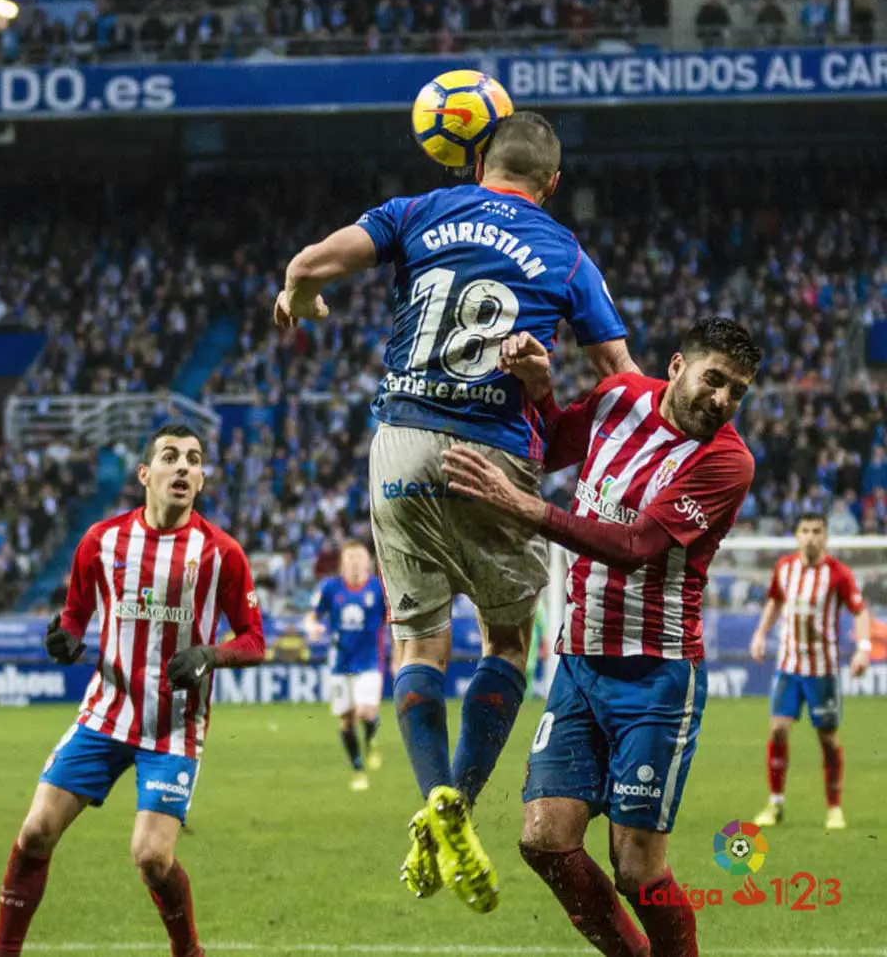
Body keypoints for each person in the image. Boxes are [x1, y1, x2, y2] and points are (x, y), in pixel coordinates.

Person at [274, 111, 637, 913]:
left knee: (418, 642)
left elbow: (308, 264)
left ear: (477, 163)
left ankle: (434, 791)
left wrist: (300, 299)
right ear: (553, 183)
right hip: (495, 454)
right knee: (505, 641)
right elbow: (621, 375)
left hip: (400, 442)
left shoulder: (415, 211)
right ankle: (461, 800)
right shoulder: (566, 253)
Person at [441, 318, 761, 957]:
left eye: (738, 392)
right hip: (580, 667)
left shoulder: (728, 462)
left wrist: (529, 509)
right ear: (677, 367)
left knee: (638, 873)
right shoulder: (619, 398)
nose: (723, 400)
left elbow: (637, 547)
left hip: (657, 677)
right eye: (715, 379)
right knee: (544, 842)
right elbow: (555, 443)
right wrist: (539, 391)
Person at [0, 423, 265, 957]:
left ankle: (188, 952)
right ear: (146, 473)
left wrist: (211, 655)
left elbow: (255, 640)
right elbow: (73, 619)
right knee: (35, 832)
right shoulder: (102, 541)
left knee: (151, 858)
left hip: (174, 729)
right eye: (170, 456)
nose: (183, 466)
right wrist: (64, 640)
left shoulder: (221, 554)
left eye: (193, 459)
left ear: (203, 479)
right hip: (106, 712)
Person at [749, 513, 871, 831]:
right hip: (788, 667)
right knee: (777, 730)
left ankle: (834, 808)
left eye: (817, 531)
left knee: (828, 739)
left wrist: (863, 648)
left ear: (826, 537)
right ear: (797, 535)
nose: (811, 537)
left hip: (823, 671)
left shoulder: (838, 573)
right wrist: (761, 634)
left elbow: (860, 611)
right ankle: (775, 804)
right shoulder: (785, 568)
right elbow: (775, 601)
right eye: (805, 531)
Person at [303, 541, 389, 792]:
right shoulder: (330, 587)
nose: (354, 562)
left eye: (359, 558)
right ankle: (358, 768)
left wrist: (397, 653)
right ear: (342, 562)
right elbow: (311, 615)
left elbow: (392, 621)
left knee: (365, 712)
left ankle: (371, 739)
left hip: (370, 660)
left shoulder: (378, 588)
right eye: (350, 558)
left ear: (368, 562)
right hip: (340, 663)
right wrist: (312, 627)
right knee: (347, 721)